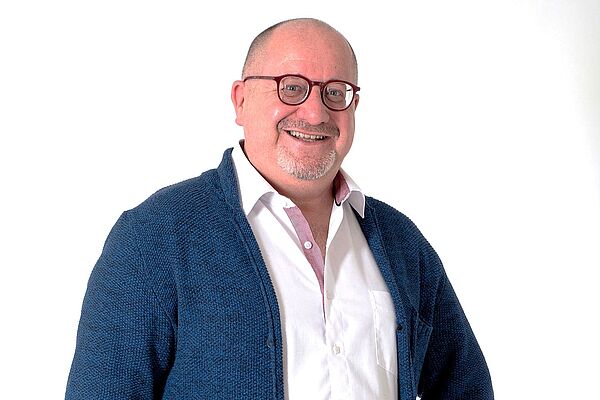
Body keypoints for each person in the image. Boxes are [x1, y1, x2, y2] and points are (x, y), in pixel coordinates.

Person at [65, 18, 493, 400]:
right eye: (291, 87)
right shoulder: (155, 237)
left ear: (354, 107)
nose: (315, 112)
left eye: (335, 92)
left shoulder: (401, 244)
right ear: (240, 100)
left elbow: (465, 386)